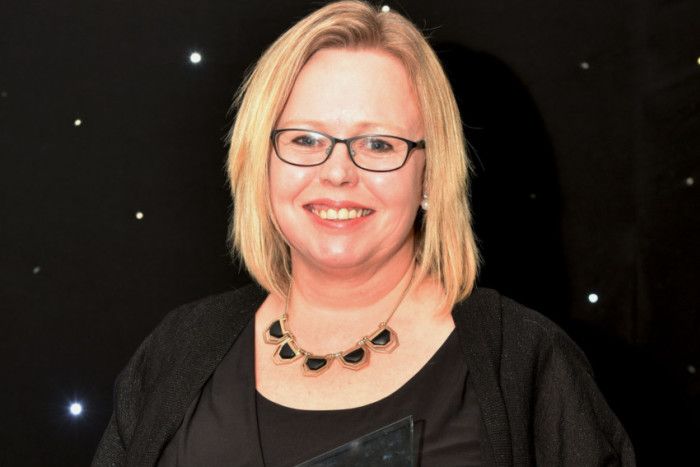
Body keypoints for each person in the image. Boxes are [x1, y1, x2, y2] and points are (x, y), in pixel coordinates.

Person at [92, 1, 635, 465]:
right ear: (261, 162)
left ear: (430, 175)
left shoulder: (524, 361)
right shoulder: (177, 350)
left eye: (378, 144)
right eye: (305, 140)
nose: (337, 173)